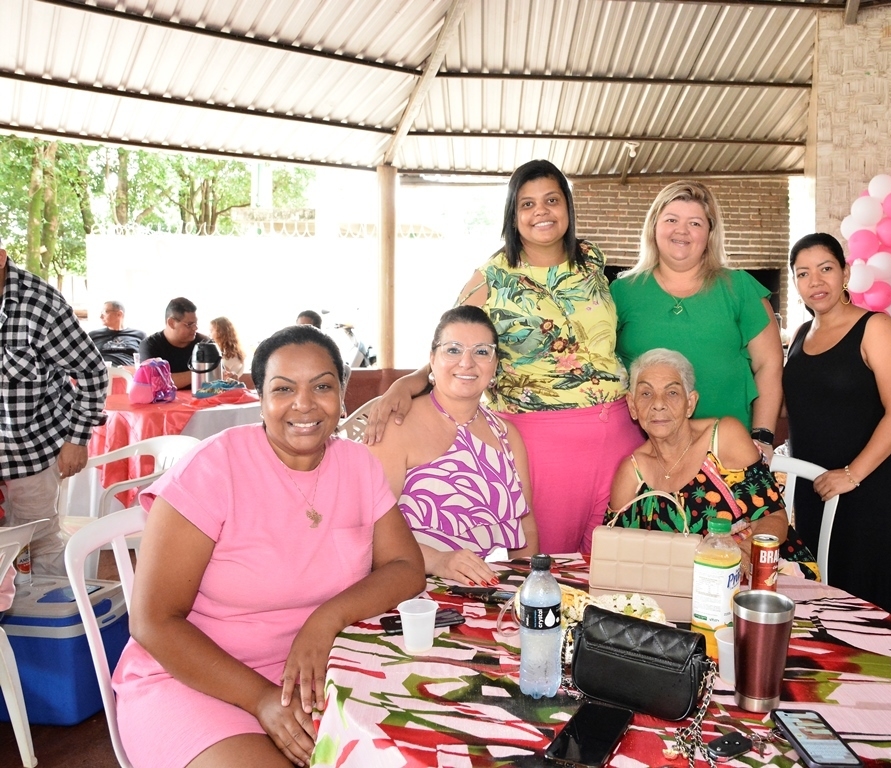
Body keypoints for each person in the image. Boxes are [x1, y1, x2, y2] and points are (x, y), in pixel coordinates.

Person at [112, 325, 425, 768]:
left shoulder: (358, 465)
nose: (304, 403)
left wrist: (325, 620)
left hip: (317, 672)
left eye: (322, 386)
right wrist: (260, 698)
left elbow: (406, 566)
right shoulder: (214, 468)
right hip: (192, 678)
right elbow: (153, 622)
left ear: (342, 395)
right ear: (259, 398)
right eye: (283, 389)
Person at [366, 160, 644, 555]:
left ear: (568, 206)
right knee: (548, 566)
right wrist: (409, 381)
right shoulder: (491, 278)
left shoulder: (590, 259)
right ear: (513, 215)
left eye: (551, 200)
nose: (541, 211)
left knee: (611, 565)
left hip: (619, 432)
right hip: (543, 442)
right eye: (527, 204)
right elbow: (454, 343)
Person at [782, 233, 891, 622]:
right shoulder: (801, 335)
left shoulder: (876, 327)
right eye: (803, 273)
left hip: (871, 485)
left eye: (825, 268)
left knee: (867, 598)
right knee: (824, 589)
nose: (815, 281)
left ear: (845, 273)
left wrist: (852, 475)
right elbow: (802, 408)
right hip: (816, 486)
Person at [366, 306, 538, 585]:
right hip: (411, 591)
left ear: (495, 364)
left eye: (481, 351)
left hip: (488, 591)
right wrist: (438, 560)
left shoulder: (507, 436)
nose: (466, 363)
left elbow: (526, 528)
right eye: (453, 350)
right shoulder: (396, 427)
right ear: (432, 359)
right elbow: (369, 531)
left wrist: (525, 587)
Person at [612, 181, 784, 442]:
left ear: (709, 233)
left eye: (695, 223)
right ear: (654, 227)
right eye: (671, 220)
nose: (681, 231)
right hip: (642, 448)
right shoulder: (622, 292)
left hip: (726, 448)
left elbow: (769, 364)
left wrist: (762, 437)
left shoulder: (739, 288)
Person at [608, 349, 791, 569]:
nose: (658, 404)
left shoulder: (724, 438)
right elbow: (613, 550)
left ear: (690, 403)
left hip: (761, 570)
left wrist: (737, 559)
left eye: (672, 392)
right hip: (673, 584)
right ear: (632, 406)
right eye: (646, 393)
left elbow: (774, 518)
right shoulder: (631, 472)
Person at [0, 239, 108, 576]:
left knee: (39, 547)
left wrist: (77, 439)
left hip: (30, 454)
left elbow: (92, 371)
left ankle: (53, 608)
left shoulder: (41, 304)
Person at [138, 297, 208, 389]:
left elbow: (217, 375)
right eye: (190, 324)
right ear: (171, 323)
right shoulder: (150, 345)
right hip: (165, 398)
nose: (195, 328)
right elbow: (155, 381)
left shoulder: (205, 343)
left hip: (202, 396)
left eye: (196, 323)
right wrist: (201, 373)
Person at [88, 300, 146, 367]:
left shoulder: (139, 335)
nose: (101, 316)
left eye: (105, 312)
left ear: (119, 314)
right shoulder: (93, 335)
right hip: (102, 371)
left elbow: (146, 361)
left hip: (128, 372)